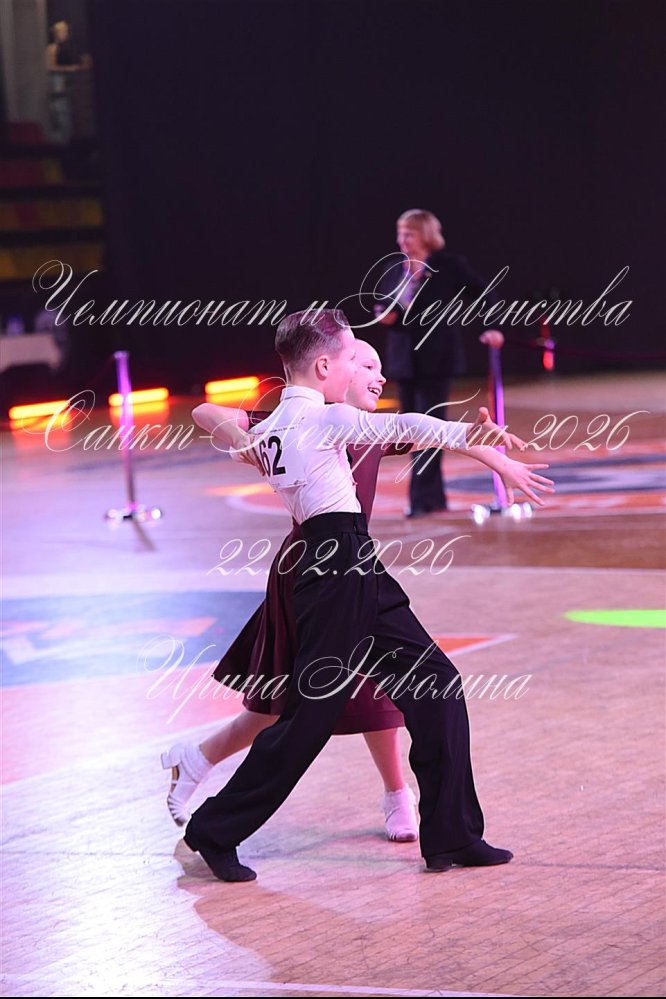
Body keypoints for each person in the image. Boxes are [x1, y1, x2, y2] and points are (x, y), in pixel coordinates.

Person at [183, 308, 554, 882]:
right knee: (308, 718)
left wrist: (476, 444)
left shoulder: (274, 427)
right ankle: (213, 830)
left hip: (349, 562)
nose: (358, 367)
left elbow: (222, 423)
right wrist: (478, 444)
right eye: (350, 357)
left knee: (437, 685)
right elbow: (412, 425)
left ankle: (453, 836)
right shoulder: (321, 418)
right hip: (336, 567)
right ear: (323, 366)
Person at [163, 341, 420, 843]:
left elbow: (430, 432)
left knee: (355, 688)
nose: (379, 375)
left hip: (349, 565)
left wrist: (488, 443)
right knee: (285, 702)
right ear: (335, 371)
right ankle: (199, 762)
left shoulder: (369, 429)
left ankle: (397, 794)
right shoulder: (297, 419)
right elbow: (204, 411)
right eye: (366, 365)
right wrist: (241, 437)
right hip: (307, 568)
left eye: (380, 367)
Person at [375, 208, 505, 518]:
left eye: (409, 234)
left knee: (430, 429)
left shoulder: (448, 266)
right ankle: (428, 499)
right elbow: (382, 305)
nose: (402, 240)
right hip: (404, 360)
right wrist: (384, 315)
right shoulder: (394, 268)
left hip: (436, 358)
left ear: (425, 235)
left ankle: (423, 500)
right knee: (411, 431)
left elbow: (485, 293)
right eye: (400, 233)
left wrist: (493, 327)